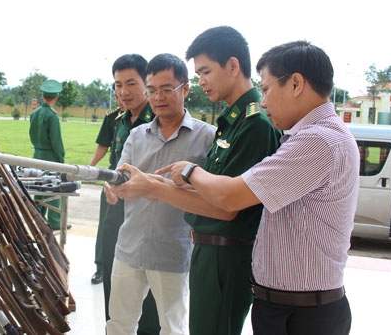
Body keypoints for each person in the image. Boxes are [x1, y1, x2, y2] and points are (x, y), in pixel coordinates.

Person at [111, 40, 359, 335]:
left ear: (295, 84)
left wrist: (186, 172)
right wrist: (157, 183)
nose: (264, 101)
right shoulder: (300, 136)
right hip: (284, 300)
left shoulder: (316, 141)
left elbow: (228, 198)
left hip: (300, 307)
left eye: (266, 89)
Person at [108, 26, 281, 335]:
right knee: (123, 321)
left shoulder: (248, 125)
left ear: (231, 66)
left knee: (178, 326)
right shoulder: (232, 122)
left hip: (216, 253)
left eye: (205, 71)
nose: (202, 81)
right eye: (152, 90)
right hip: (184, 249)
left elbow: (227, 205)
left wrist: (159, 186)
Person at [105, 53, 216, 335]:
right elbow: (123, 178)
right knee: (119, 322)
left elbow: (213, 191)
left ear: (185, 89)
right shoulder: (137, 135)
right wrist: (114, 186)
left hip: (172, 251)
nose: (158, 97)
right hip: (129, 247)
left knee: (172, 326)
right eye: (152, 91)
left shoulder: (207, 137)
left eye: (167, 89)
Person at [100, 53, 160, 335]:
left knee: (147, 292)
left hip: (148, 214)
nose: (123, 92)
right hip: (114, 209)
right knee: (113, 281)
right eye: (117, 84)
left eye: (131, 83)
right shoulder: (117, 120)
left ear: (147, 82)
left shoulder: (160, 119)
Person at [88, 89, 125, 285]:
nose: (121, 101)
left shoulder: (149, 116)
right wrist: (90, 167)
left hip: (136, 177)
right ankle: (102, 267)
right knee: (107, 223)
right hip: (113, 174)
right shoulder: (113, 118)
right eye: (117, 97)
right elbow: (103, 144)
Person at [28, 79, 69, 230]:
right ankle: (55, 221)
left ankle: (39, 220)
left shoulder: (35, 113)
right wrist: (61, 157)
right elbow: (56, 141)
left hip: (37, 153)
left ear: (43, 95)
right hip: (50, 156)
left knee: (39, 189)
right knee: (53, 189)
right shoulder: (52, 116)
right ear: (56, 98)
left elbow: (31, 134)